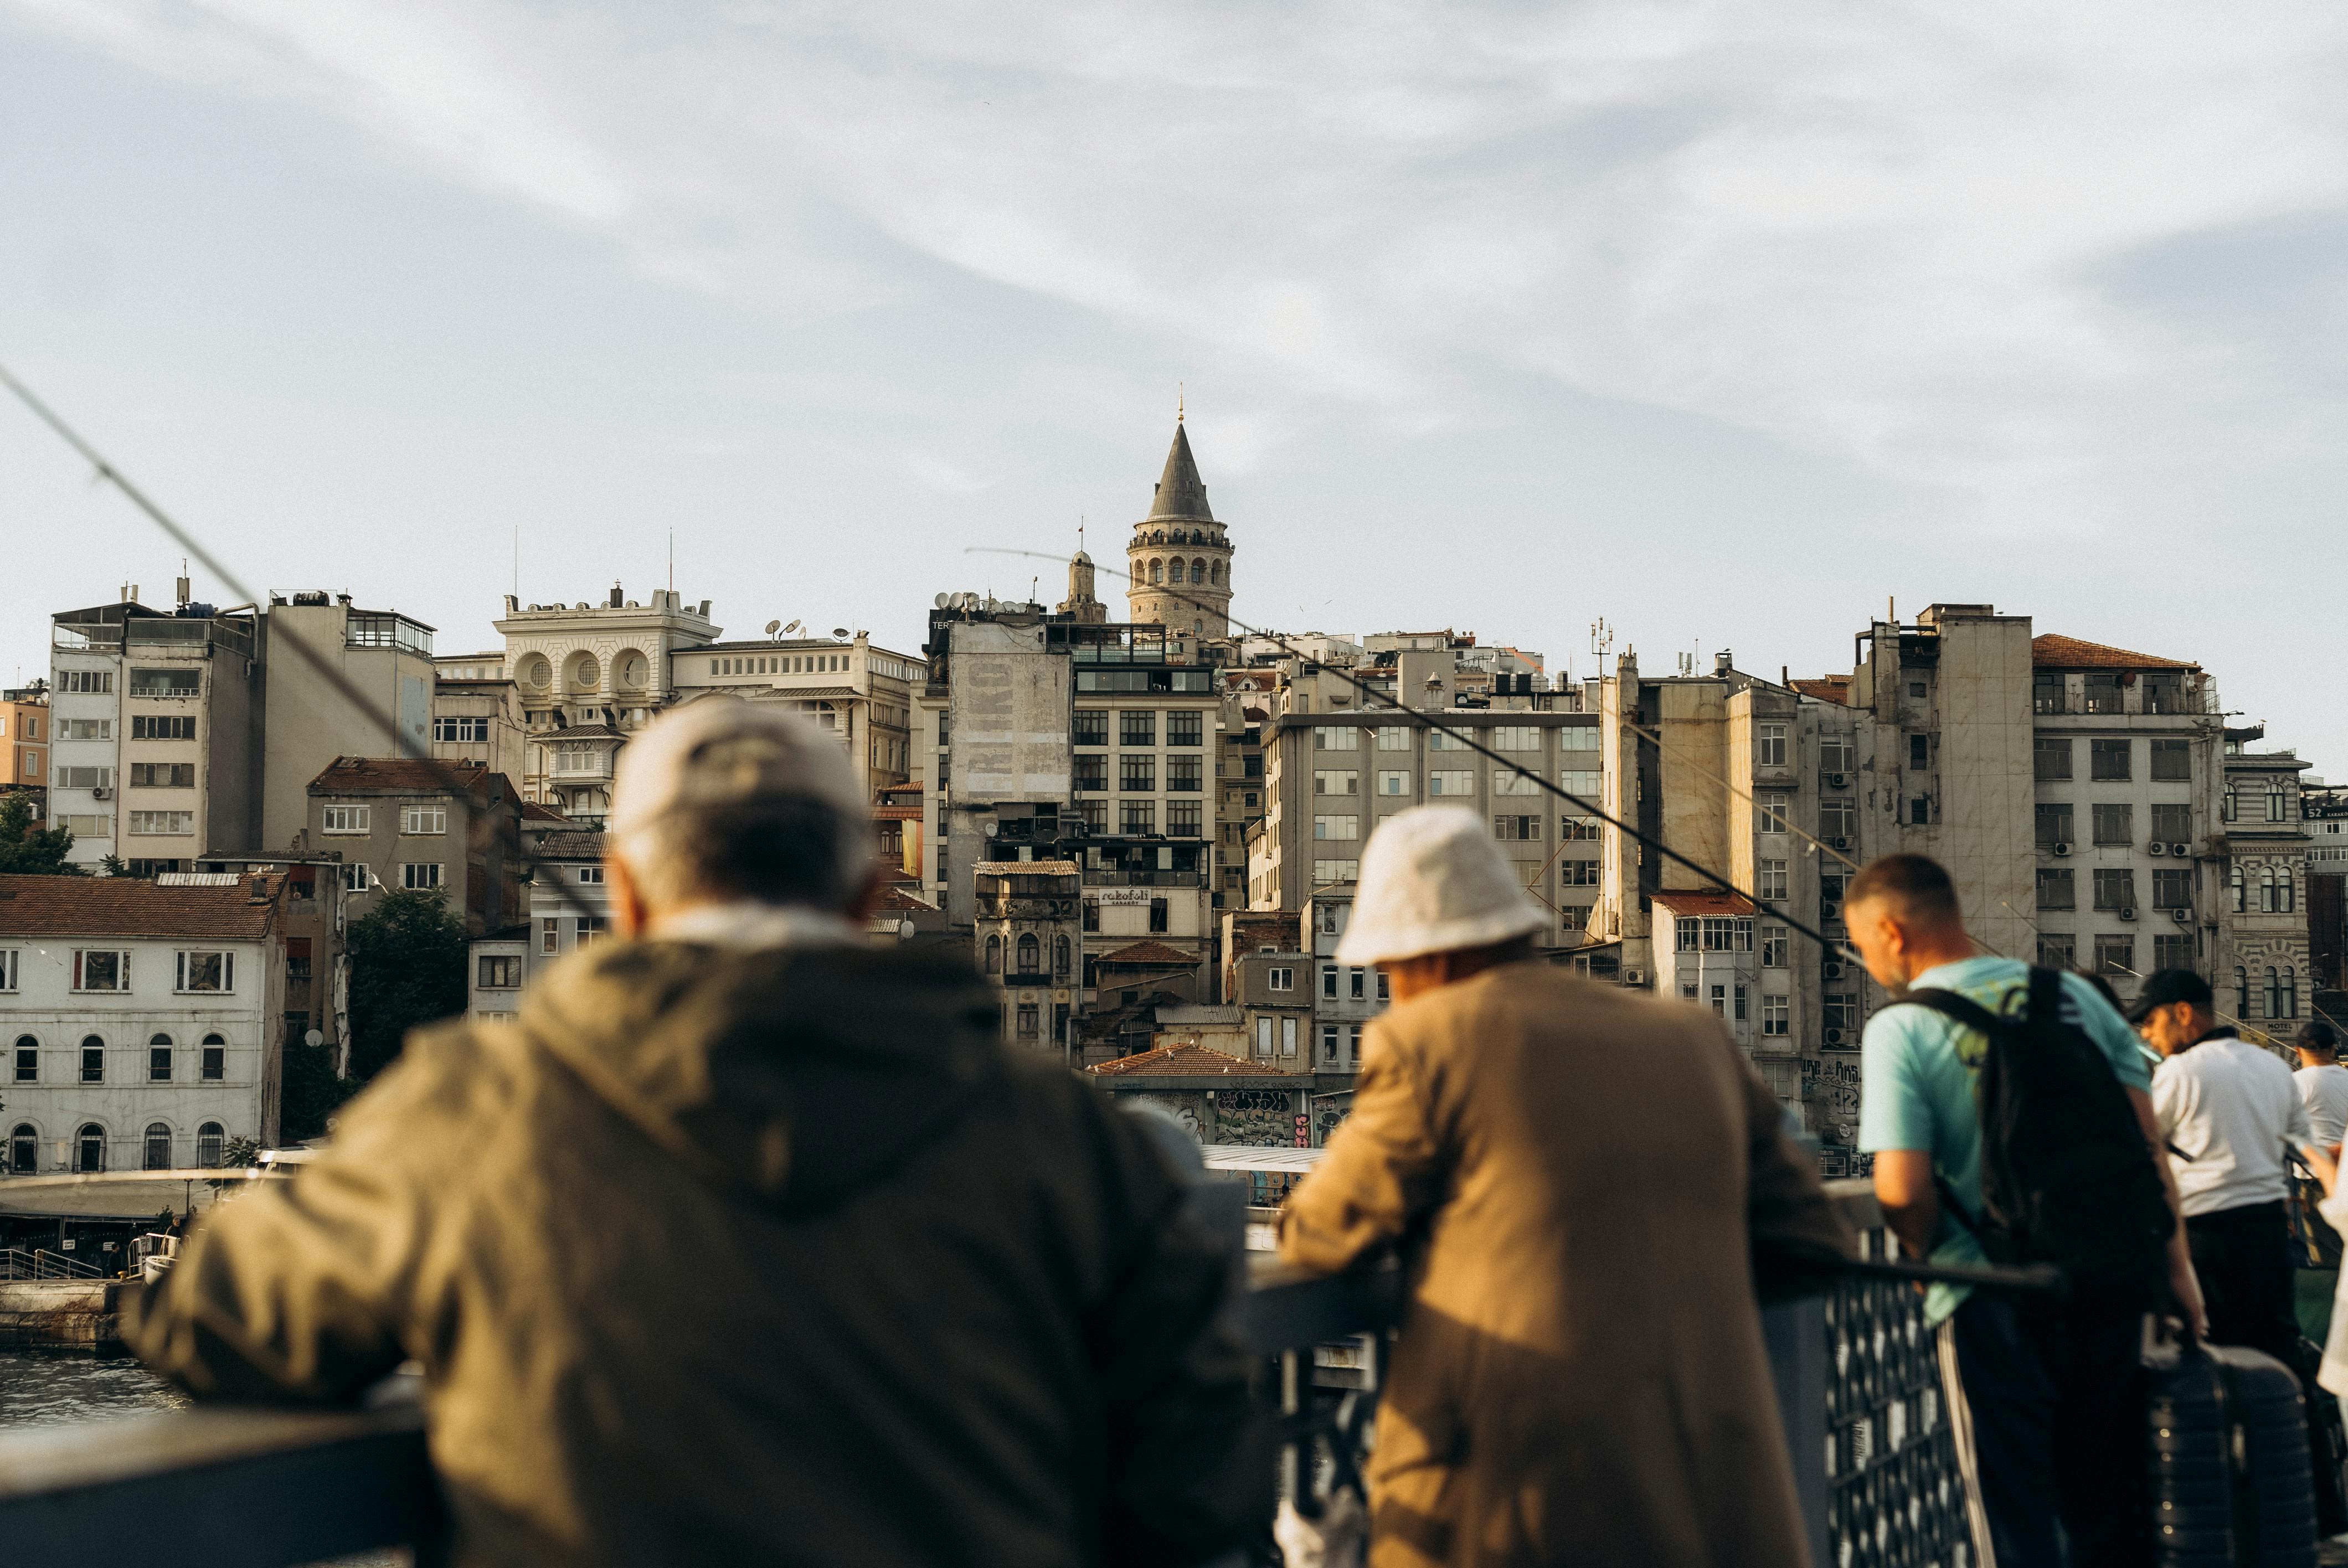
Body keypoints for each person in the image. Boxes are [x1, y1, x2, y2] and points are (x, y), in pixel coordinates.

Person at [130, 702, 1268, 1567]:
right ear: (870, 892)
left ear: (622, 892)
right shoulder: (1064, 1137)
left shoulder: (471, 1112)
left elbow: (221, 1320)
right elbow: (1199, 1484)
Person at [1277, 805, 1851, 1568]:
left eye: (1387, 970)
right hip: (1717, 1486)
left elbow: (1324, 1229)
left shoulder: (1432, 1041)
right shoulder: (1692, 1038)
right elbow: (1813, 1245)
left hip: (1525, 1494)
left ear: (1420, 959)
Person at [1847, 854, 2198, 1568]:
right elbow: (2146, 1148)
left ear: (1890, 929)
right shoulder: (2077, 999)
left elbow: (1902, 1190)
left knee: (2012, 1510)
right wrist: (2178, 1270)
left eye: (1860, 945)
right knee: (2104, 1500)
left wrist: (1919, 1258)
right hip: (2108, 1282)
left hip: (1988, 1294)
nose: (1865, 959)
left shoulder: (1901, 1028)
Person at [2139, 967, 2313, 1371]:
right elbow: (2307, 1149)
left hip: (2205, 1238)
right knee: (2277, 1351)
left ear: (2183, 1014)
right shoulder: (2274, 1067)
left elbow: (2143, 1149)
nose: (2147, 1034)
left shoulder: (2178, 1073)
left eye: (2151, 1020)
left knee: (2209, 1355)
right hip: (2270, 1231)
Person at [2294, 1020, 2348, 1342]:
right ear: (2333, 1050)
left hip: (2316, 1183)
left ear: (2301, 1051)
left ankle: (2333, 1336)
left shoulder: (2297, 1083)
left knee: (2327, 1262)